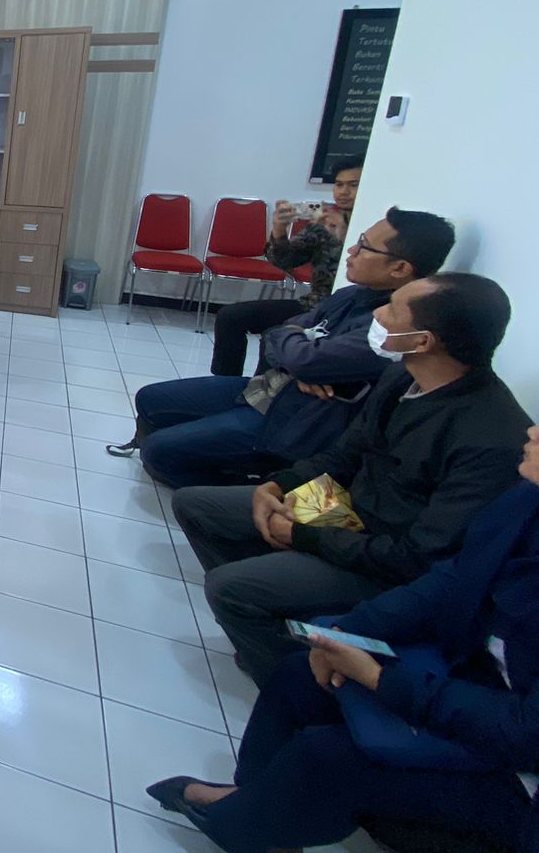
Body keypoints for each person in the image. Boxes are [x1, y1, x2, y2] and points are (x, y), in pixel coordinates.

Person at [148, 429, 539, 853]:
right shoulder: (525, 500)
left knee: (326, 757)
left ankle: (238, 823)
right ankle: (252, 801)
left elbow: (524, 732)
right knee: (298, 674)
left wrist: (380, 679)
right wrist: (347, 633)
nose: (532, 431)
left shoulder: (485, 435)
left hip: (517, 773)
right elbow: (450, 580)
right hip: (467, 673)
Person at [174, 271, 530, 686]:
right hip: (345, 511)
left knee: (230, 588)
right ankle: (275, 613)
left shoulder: (490, 439)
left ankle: (298, 678)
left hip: (384, 565)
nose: (377, 314)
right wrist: (279, 485)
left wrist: (304, 536)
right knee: (197, 506)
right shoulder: (403, 377)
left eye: (392, 309)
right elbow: (346, 454)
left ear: (422, 341)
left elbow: (416, 559)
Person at [112, 209, 452, 489]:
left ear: (400, 268)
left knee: (159, 452)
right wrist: (299, 359)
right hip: (266, 389)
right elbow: (279, 335)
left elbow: (305, 355)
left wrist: (301, 356)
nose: (351, 250)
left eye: (363, 246)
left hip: (291, 421)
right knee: (150, 399)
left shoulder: (391, 326)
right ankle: (199, 446)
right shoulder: (352, 294)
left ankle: (253, 481)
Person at [211, 157, 365, 376]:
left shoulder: (373, 227)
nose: (344, 192)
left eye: (353, 185)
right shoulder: (324, 222)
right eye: (339, 184)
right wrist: (279, 229)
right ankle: (225, 382)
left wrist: (344, 236)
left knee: (275, 336)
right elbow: (285, 261)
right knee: (230, 317)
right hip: (314, 304)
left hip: (348, 311)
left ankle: (262, 391)